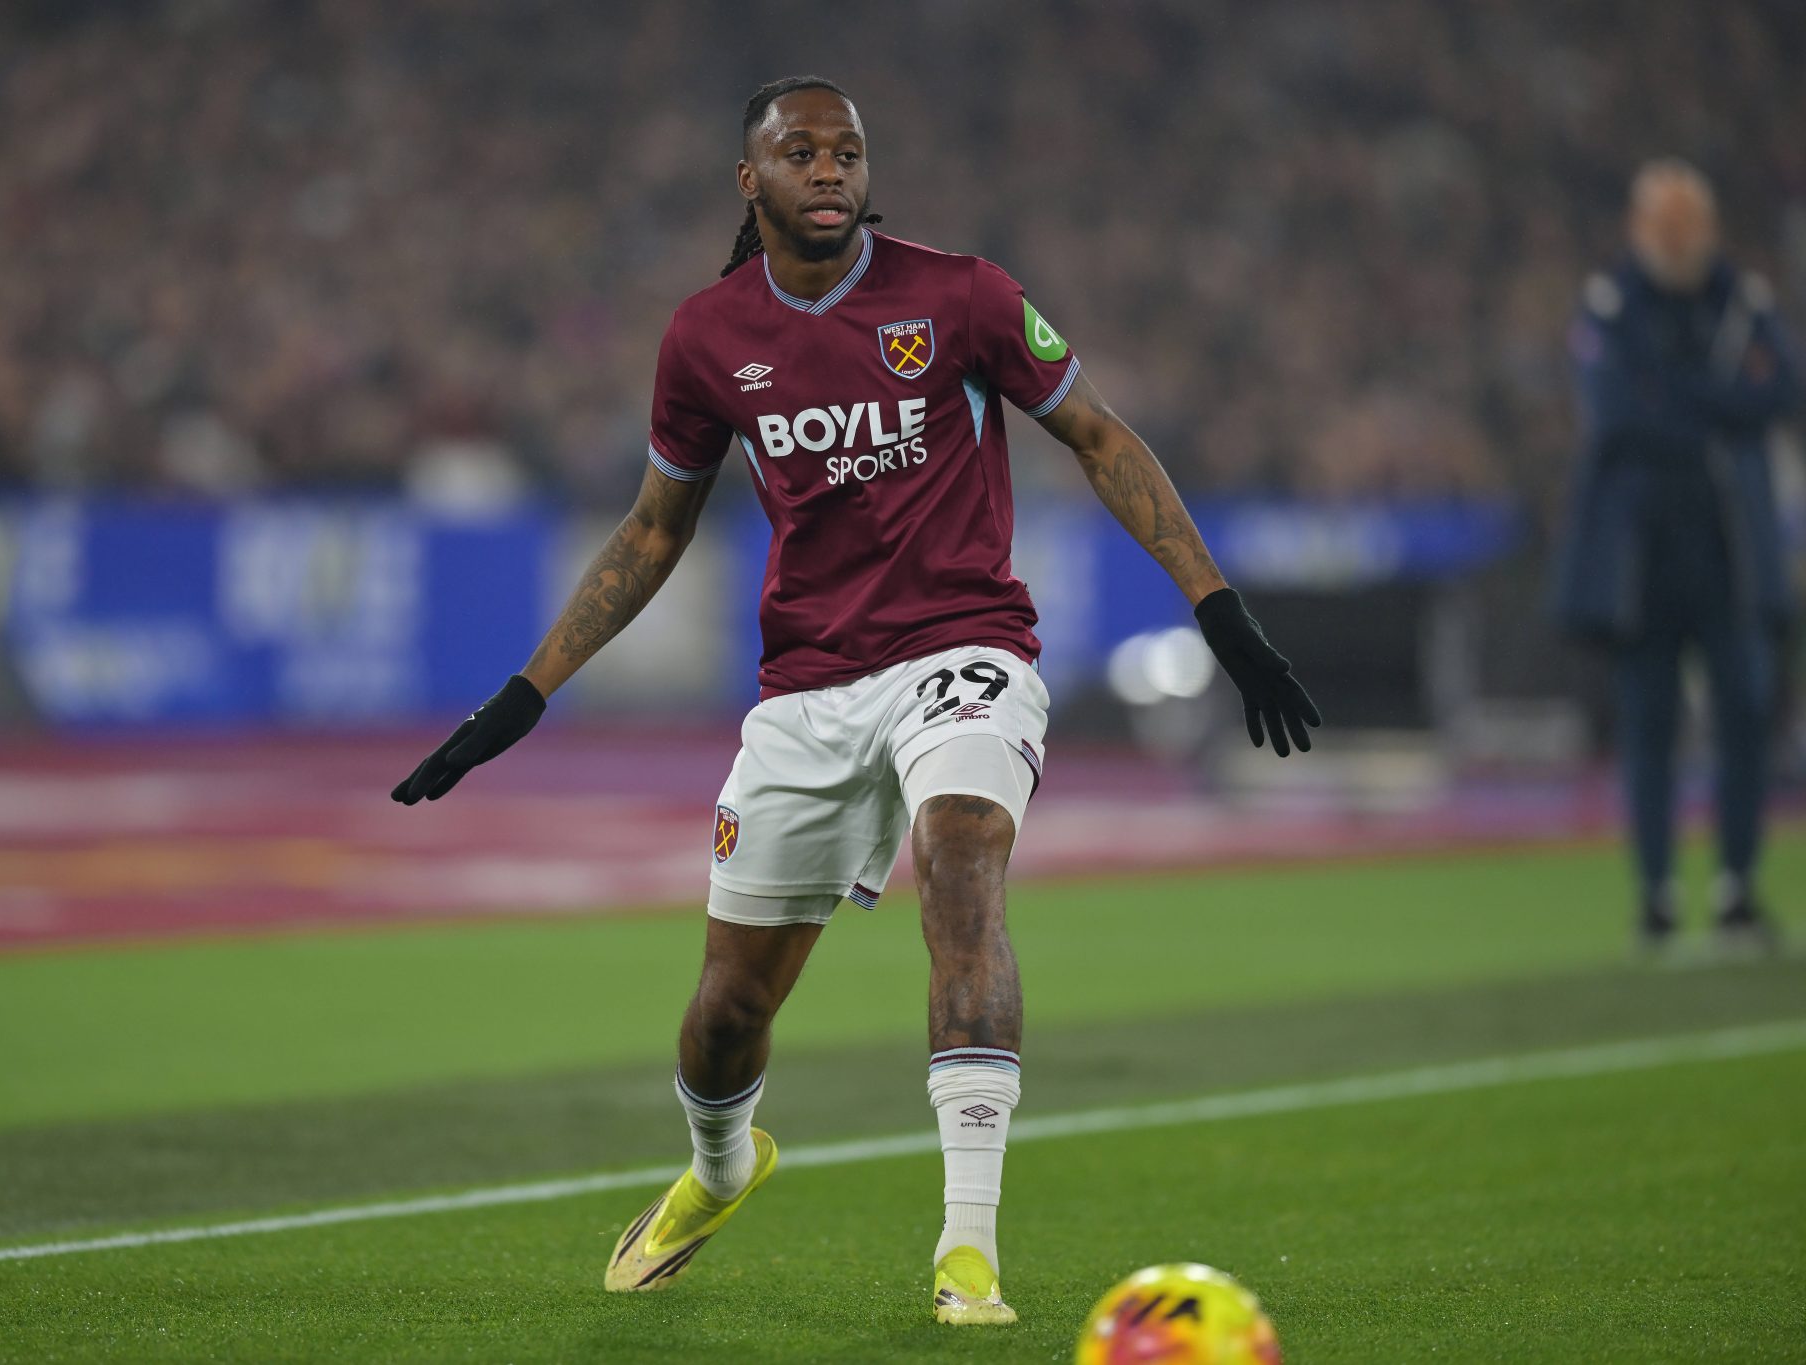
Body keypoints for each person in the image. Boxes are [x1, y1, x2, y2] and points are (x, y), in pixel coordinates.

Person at [391, 76, 1318, 1326]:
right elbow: (655, 530)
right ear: (750, 180)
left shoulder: (963, 295)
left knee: (960, 862)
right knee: (727, 1013)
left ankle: (967, 1251)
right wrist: (524, 693)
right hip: (807, 690)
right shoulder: (706, 338)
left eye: (847, 151)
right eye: (799, 152)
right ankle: (720, 1169)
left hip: (964, 649)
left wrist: (1216, 609)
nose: (827, 169)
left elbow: (1099, 437)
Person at [1556, 159, 1798, 951]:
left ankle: (1735, 888)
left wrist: (1674, 395)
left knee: (1745, 715)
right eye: (1664, 227)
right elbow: (1615, 413)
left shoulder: (1743, 301)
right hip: (1643, 558)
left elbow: (1785, 390)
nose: (1677, 242)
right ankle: (1656, 892)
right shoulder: (1611, 302)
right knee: (1649, 723)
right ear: (1639, 230)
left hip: (1729, 550)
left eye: (1687, 226)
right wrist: (1718, 413)